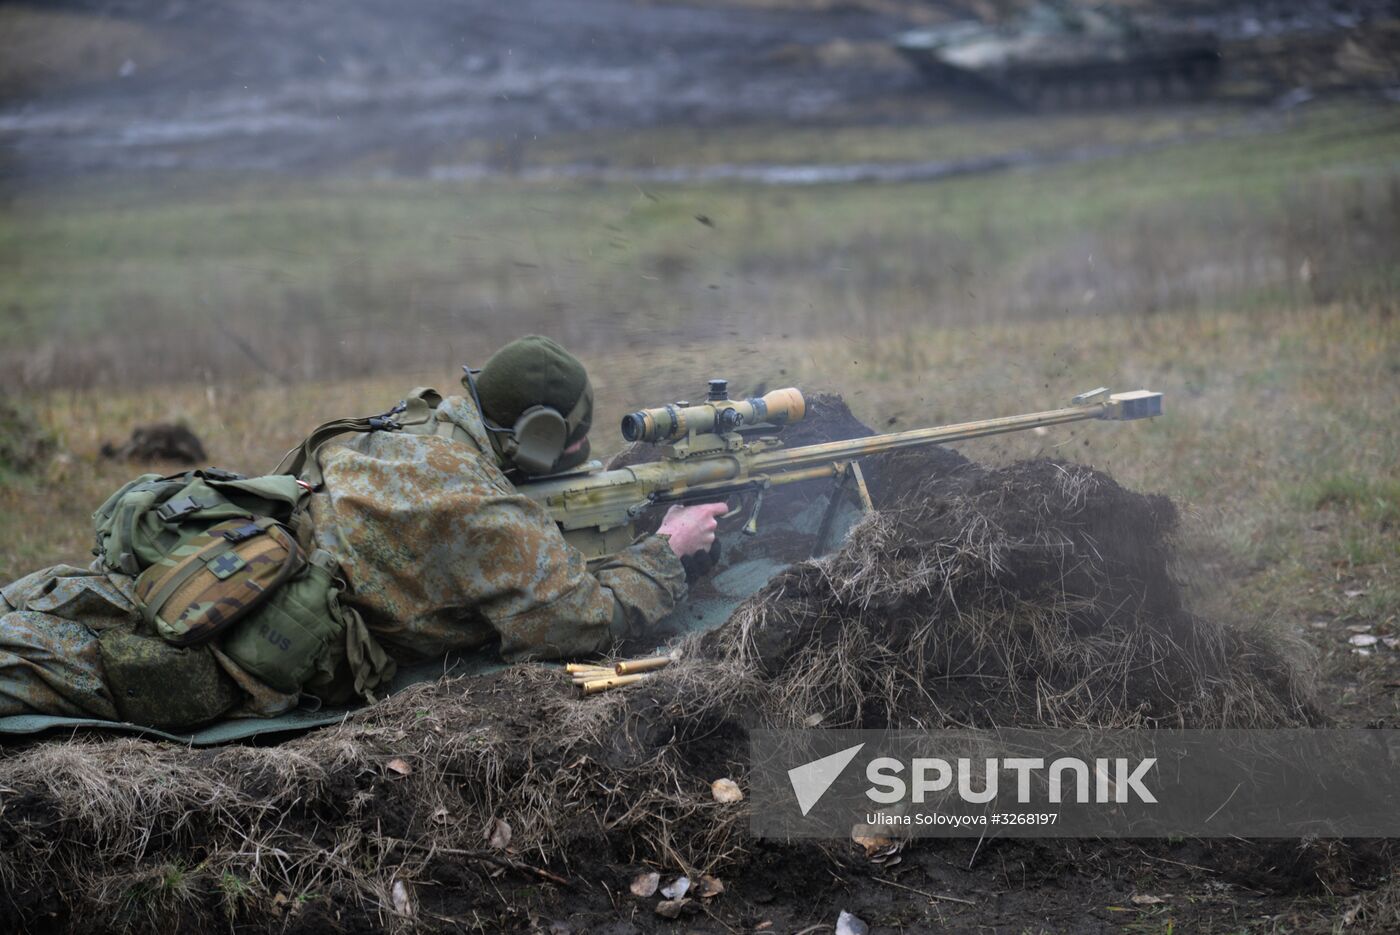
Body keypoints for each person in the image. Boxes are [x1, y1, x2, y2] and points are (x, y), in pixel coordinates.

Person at [0, 335, 724, 725]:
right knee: (45, 667)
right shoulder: (481, 508)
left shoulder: (421, 420)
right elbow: (577, 620)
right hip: (236, 636)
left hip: (216, 555)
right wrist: (668, 551)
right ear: (537, 438)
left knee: (49, 603)